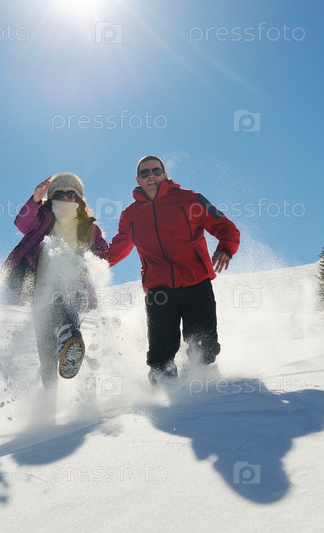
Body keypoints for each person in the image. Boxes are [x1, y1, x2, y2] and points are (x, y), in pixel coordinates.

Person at [101, 155, 240, 385]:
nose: (151, 176)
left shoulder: (190, 199)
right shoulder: (131, 215)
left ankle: (204, 391)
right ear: (138, 179)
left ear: (165, 175)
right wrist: (92, 267)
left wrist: (226, 248)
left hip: (196, 284)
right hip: (159, 291)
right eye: (145, 173)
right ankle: (165, 396)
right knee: (160, 358)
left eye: (156, 171)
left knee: (205, 349)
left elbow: (225, 227)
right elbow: (118, 248)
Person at [3, 172, 108, 388]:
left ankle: (70, 337)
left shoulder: (88, 228)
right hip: (41, 291)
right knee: (47, 352)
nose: (66, 197)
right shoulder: (42, 218)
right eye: (59, 193)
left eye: (71, 193)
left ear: (79, 198)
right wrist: (35, 199)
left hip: (74, 286)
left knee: (66, 309)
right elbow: (22, 223)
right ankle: (48, 397)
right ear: (51, 197)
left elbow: (104, 254)